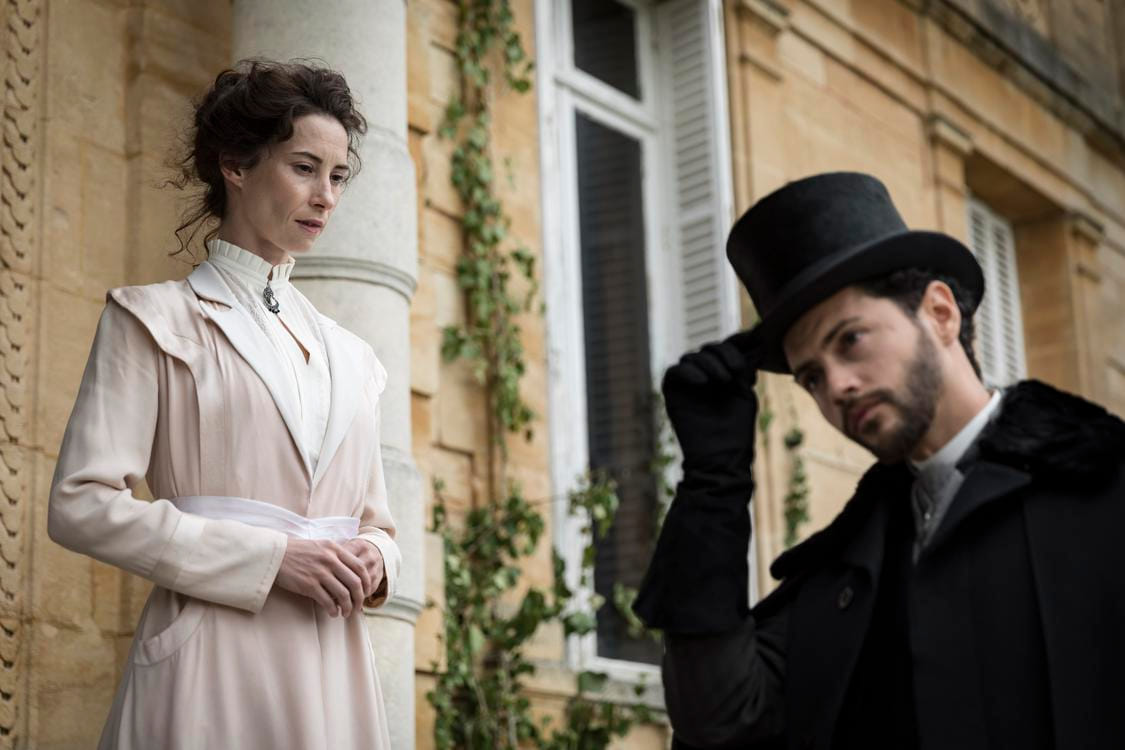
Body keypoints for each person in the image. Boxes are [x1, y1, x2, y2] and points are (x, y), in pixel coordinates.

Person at [633, 172, 1125, 749]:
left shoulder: (1105, 489)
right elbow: (720, 717)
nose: (836, 387)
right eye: (811, 376)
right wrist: (713, 481)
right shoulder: (845, 569)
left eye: (851, 340)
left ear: (940, 313)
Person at [47, 60, 401, 749]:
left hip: (335, 663)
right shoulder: (151, 319)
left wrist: (377, 558)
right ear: (235, 165)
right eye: (304, 168)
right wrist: (271, 558)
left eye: (338, 176)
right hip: (212, 657)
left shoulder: (353, 356)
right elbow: (80, 505)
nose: (326, 196)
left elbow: (377, 522)